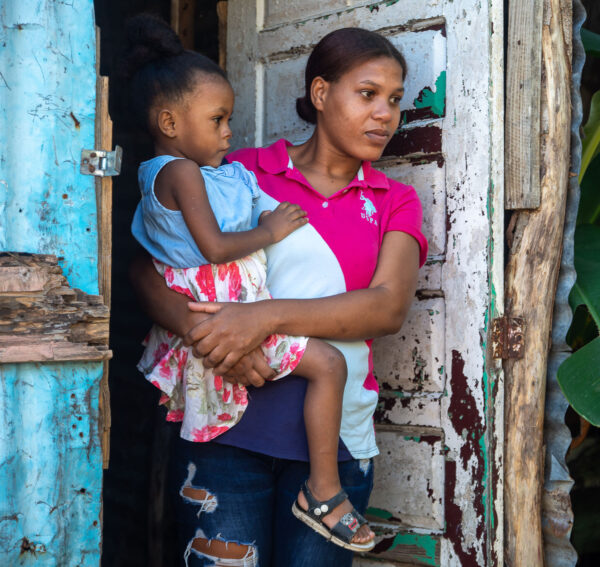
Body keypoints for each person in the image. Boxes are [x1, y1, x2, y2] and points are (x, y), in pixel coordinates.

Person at [130, 22, 427, 567]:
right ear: (320, 93)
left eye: (395, 100)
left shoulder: (394, 201)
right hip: (224, 433)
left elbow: (386, 307)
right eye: (367, 94)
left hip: (334, 450)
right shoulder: (238, 174)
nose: (385, 113)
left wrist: (259, 319)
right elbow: (147, 271)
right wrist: (217, 340)